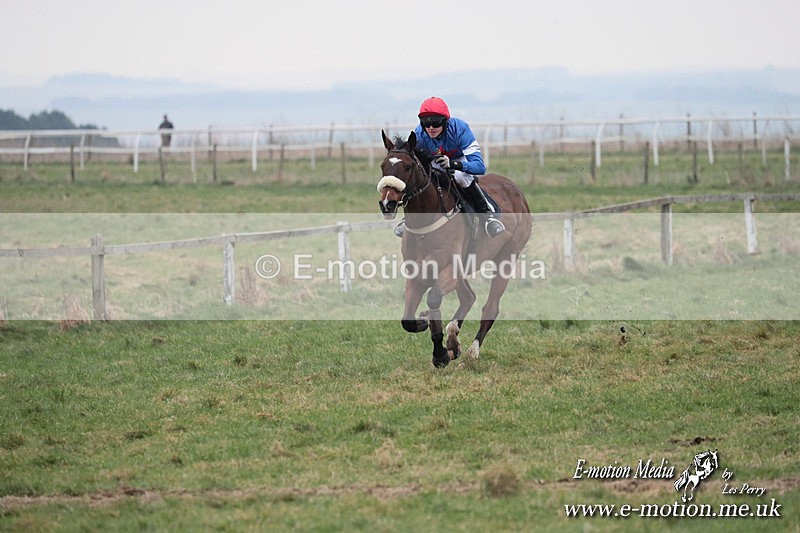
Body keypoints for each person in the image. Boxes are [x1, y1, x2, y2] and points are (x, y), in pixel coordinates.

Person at [394, 96, 505, 238]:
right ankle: (409, 217)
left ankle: (488, 216)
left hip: (459, 159)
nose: (431, 128)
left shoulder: (460, 129)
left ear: (445, 121)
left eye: (436, 123)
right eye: (426, 123)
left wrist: (453, 164)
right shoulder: (419, 135)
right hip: (436, 161)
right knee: (423, 175)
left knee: (461, 177)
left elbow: (480, 167)